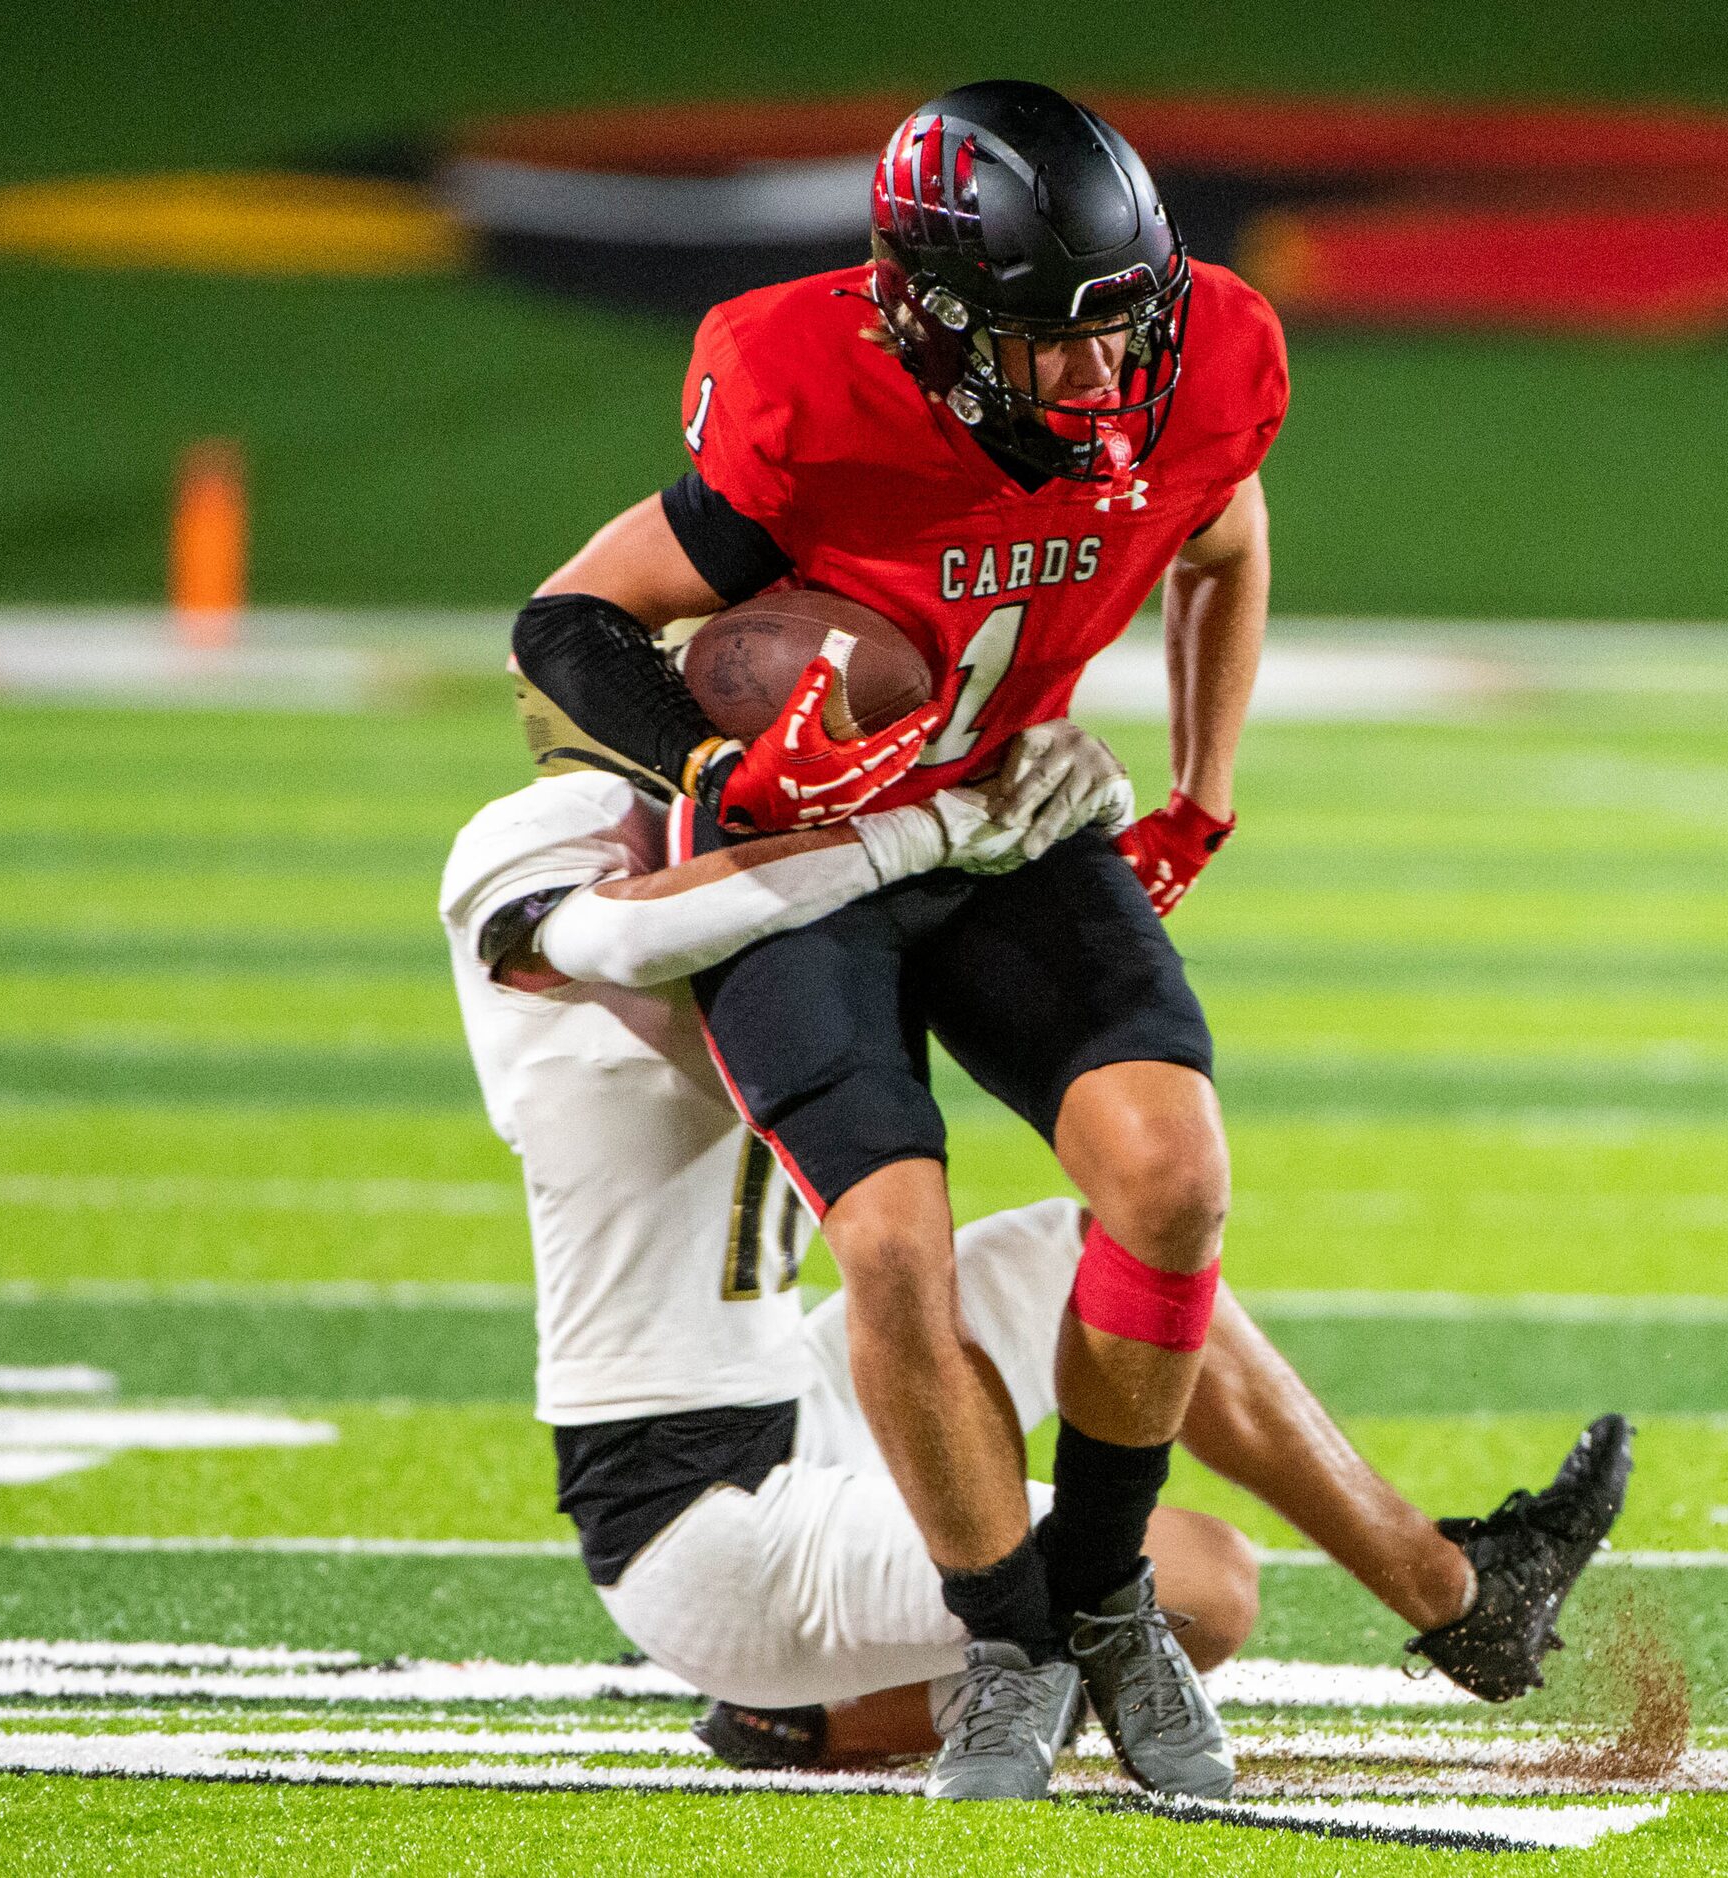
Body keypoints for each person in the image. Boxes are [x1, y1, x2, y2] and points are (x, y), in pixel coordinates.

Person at [510, 80, 1293, 1799]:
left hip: (1005, 816)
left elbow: (1219, 544)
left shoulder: (1201, 359)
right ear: (934, 324)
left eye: (1120, 324)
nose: (1100, 377)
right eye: (1049, 338)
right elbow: (570, 618)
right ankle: (1008, 1637)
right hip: (817, 849)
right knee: (891, 1242)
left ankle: (1100, 1596)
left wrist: (1201, 788)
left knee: (1171, 1175)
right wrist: (720, 762)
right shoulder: (810, 395)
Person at [438, 764, 1638, 1778]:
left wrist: (1065, 788)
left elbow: (941, 926)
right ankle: (806, 1719)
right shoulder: (551, 828)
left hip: (798, 1388)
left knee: (1109, 1245)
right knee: (1208, 1588)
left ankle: (1465, 1595)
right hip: (689, 1508)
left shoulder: (771, 823)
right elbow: (627, 933)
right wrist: (926, 825)